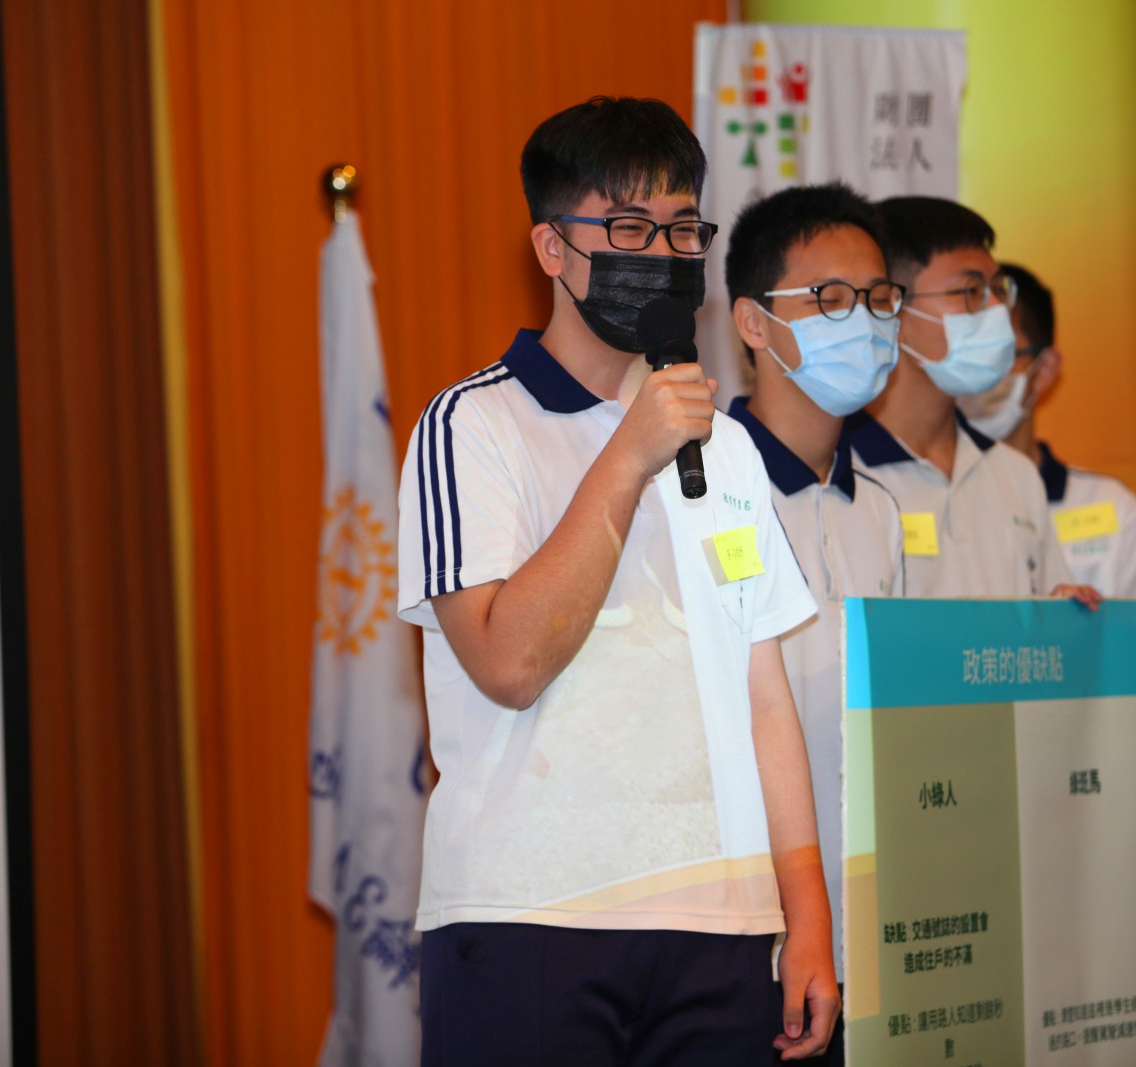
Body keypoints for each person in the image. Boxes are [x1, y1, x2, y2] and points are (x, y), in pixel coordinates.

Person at [395, 96, 838, 1065]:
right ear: (551, 247)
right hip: (529, 916)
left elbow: (764, 697)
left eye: (682, 229)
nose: (663, 253)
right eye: (630, 228)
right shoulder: (469, 428)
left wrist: (806, 913)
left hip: (722, 923)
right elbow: (509, 662)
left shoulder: (725, 446)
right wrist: (628, 454)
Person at [722, 181, 903, 1066]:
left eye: (878, 298)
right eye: (830, 298)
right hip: (748, 943)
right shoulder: (703, 493)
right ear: (753, 323)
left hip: (871, 926)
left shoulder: (883, 509)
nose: (861, 321)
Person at [850, 196, 1099, 605]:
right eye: (971, 291)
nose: (997, 309)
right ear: (889, 307)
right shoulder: (843, 473)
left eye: (998, 289)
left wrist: (1066, 612)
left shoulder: (1014, 475)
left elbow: (1048, 618)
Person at [956, 262, 1136, 597]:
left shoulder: (1116, 512)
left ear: (1045, 368)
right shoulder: (928, 499)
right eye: (969, 353)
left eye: (999, 354)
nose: (982, 372)